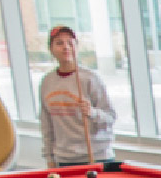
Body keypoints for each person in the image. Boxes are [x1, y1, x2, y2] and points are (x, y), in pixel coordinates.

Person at [37, 26, 116, 168]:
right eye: (59, 43)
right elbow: (46, 124)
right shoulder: (47, 82)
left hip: (97, 156)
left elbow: (110, 117)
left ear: (76, 47)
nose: (66, 47)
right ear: (51, 49)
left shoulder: (90, 78)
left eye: (70, 43)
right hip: (64, 159)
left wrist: (92, 113)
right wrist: (49, 157)